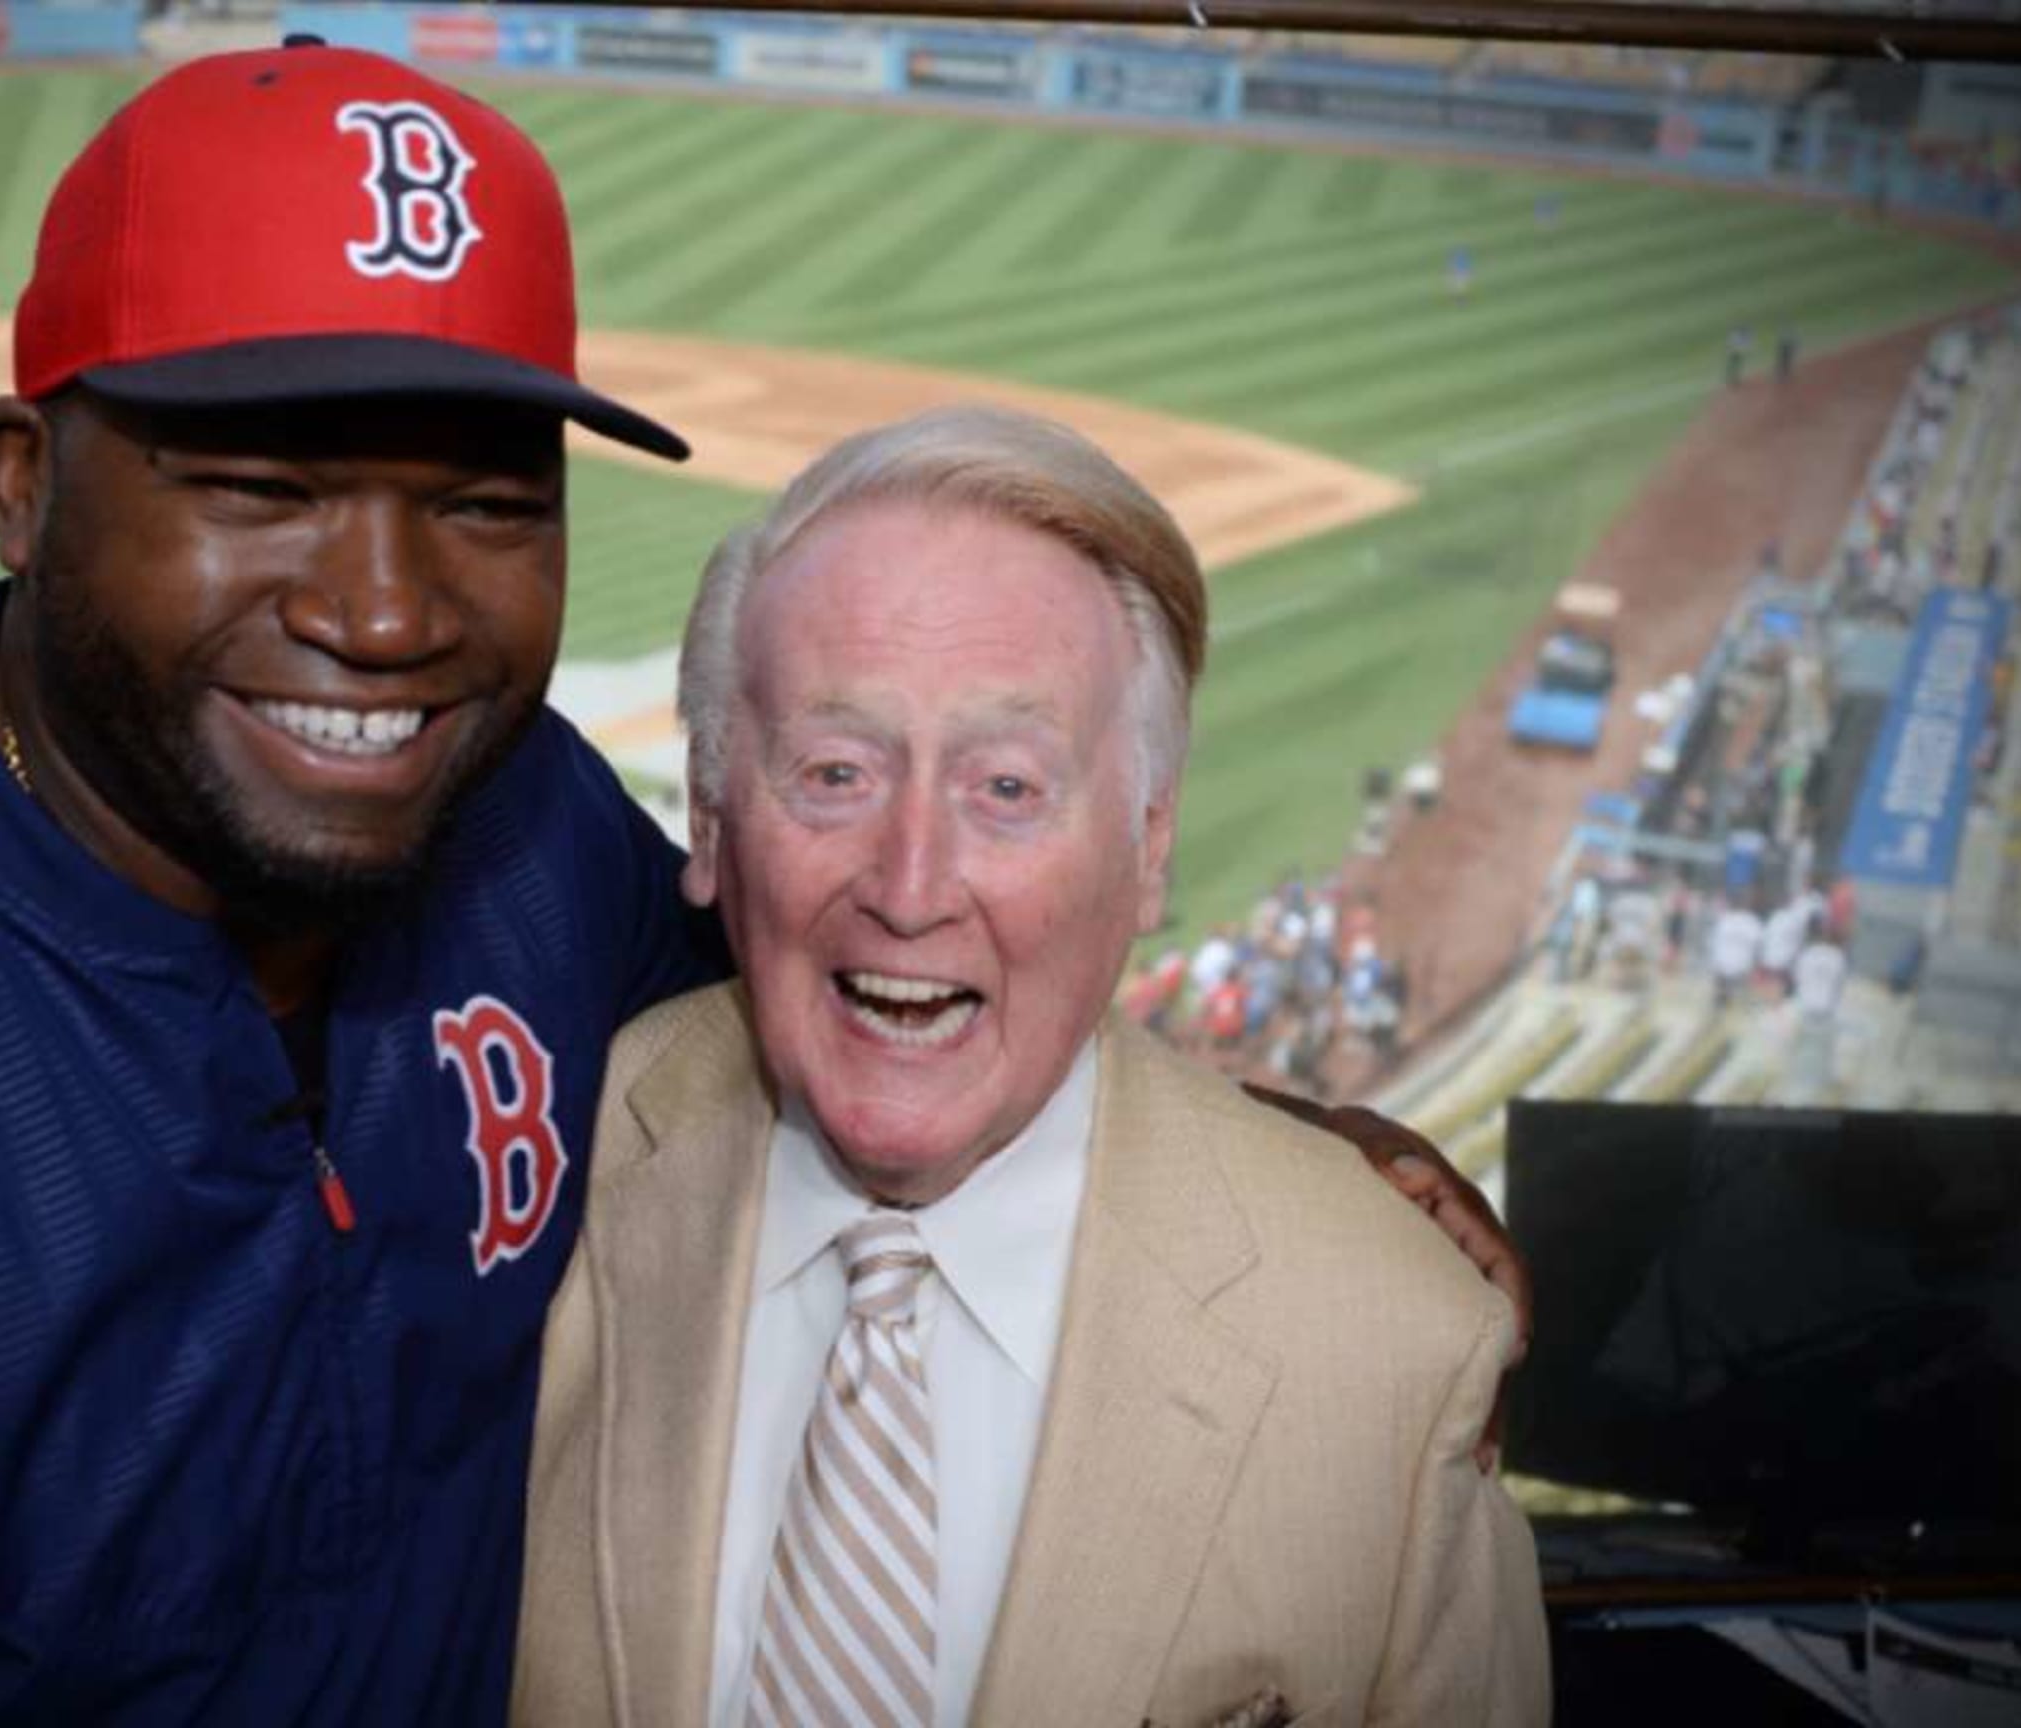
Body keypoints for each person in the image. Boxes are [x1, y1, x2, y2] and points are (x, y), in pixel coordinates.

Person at [0, 45, 1513, 1726]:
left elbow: (868, 963)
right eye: (263, 480)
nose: (389, 611)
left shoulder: (519, 846)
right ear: (24, 484)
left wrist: (1268, 1145)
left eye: (486, 499)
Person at [514, 408, 1545, 1727]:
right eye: (835, 771)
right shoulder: (532, 1192)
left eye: (1007, 788)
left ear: (1150, 845)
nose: (910, 884)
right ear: (710, 817)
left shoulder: (1398, 1350)